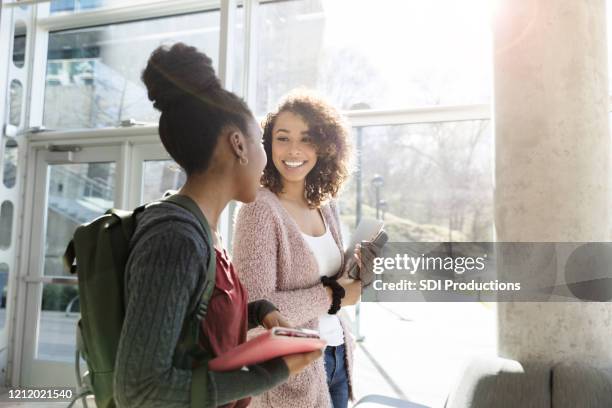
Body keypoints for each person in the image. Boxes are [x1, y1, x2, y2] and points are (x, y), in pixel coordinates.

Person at [113, 43, 321, 408]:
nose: (265, 159)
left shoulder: (204, 230)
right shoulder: (174, 238)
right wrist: (273, 373)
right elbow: (139, 389)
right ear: (237, 144)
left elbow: (197, 317)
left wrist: (259, 311)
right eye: (260, 141)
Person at [233, 90, 362, 408]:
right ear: (267, 144)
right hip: (292, 372)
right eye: (282, 138)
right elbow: (255, 311)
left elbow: (336, 279)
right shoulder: (258, 208)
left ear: (324, 146)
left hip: (338, 356)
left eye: (306, 139)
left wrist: (358, 270)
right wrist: (334, 295)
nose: (294, 150)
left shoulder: (325, 205)